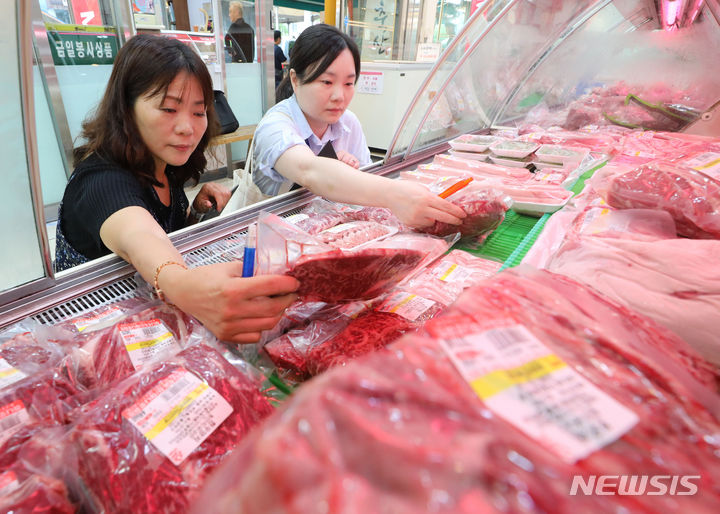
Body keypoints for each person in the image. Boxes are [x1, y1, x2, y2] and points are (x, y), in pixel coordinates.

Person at [55, 34, 298, 343]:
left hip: (144, 319)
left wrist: (193, 211)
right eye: (169, 109)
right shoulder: (101, 179)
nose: (188, 127)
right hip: (89, 336)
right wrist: (181, 283)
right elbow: (138, 234)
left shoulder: (162, 162)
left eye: (199, 112)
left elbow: (158, 224)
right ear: (126, 107)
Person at [252, 24, 465, 228]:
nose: (339, 96)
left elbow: (364, 186)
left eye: (348, 83)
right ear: (295, 80)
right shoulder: (275, 126)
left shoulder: (348, 123)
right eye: (327, 82)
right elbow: (309, 171)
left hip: (321, 230)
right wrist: (395, 194)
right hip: (259, 235)